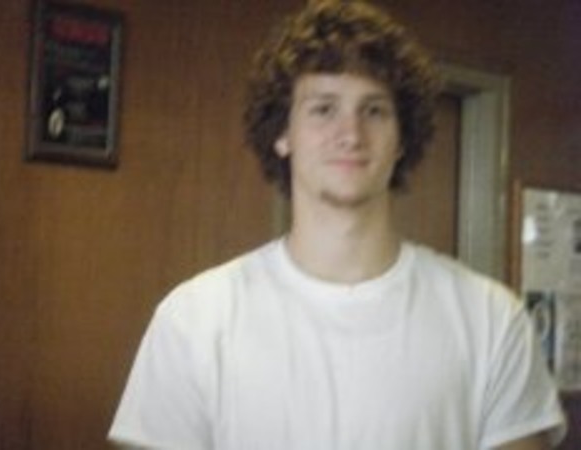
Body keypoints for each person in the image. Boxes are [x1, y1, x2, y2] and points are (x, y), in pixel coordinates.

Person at [109, 1, 566, 449]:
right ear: (282, 133)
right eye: (324, 109)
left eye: (374, 110)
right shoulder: (195, 319)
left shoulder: (491, 319)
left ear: (401, 138)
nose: (351, 134)